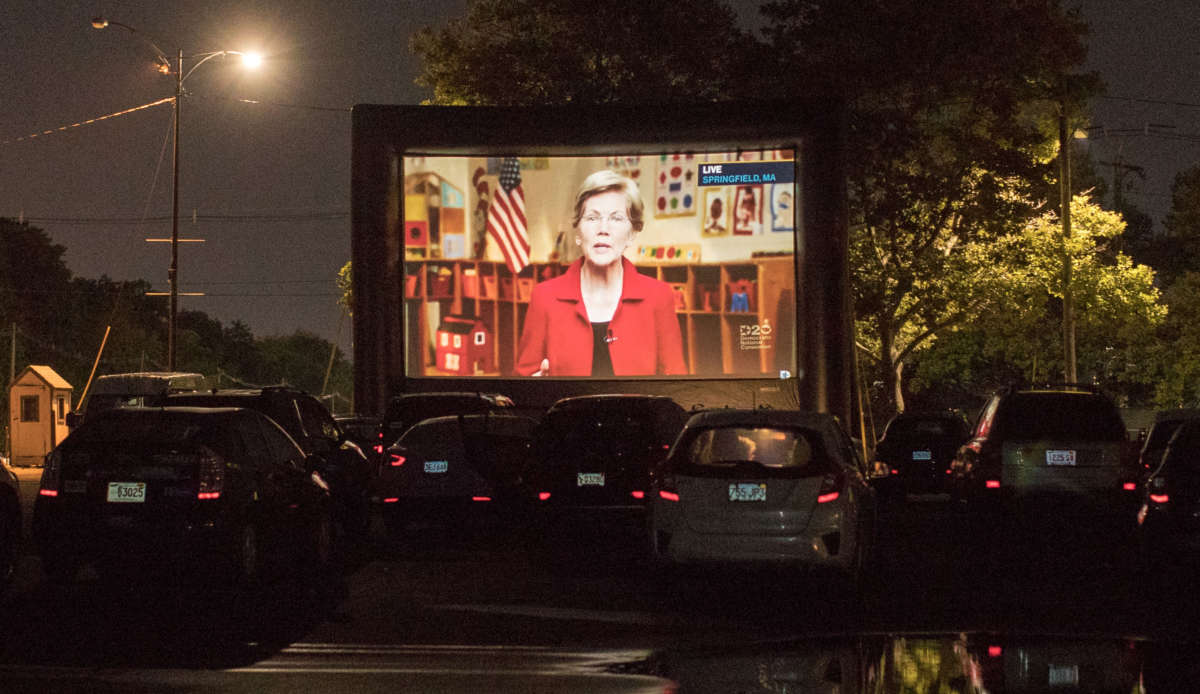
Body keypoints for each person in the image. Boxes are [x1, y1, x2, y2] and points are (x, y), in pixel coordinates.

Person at [516, 170, 687, 377]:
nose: (603, 229)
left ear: (632, 234)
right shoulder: (544, 297)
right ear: (578, 232)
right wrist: (536, 387)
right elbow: (523, 381)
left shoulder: (658, 296)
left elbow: (677, 384)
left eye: (616, 218)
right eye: (592, 218)